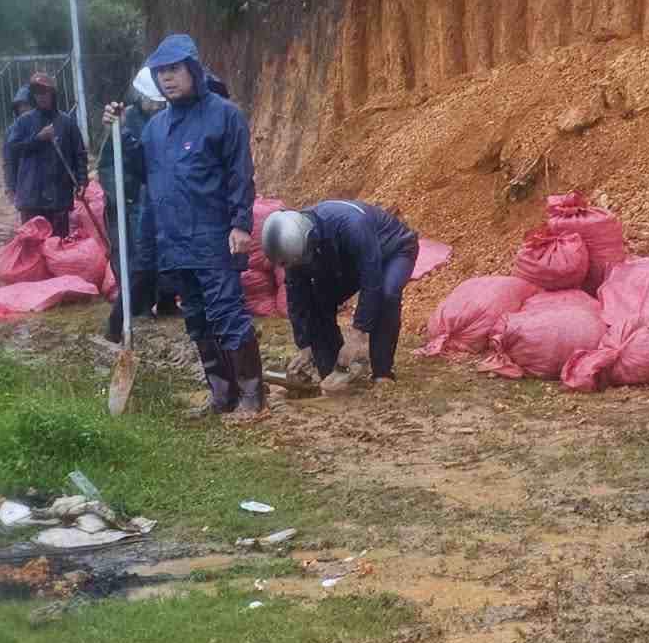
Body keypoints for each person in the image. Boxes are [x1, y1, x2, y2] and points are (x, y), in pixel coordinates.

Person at [103, 34, 265, 419]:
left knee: (227, 312)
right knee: (196, 317)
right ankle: (222, 396)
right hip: (173, 239)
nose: (167, 80)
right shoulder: (156, 127)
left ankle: (253, 398)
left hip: (212, 235)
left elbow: (240, 175)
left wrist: (241, 224)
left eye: (174, 70)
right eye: (160, 73)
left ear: (193, 68)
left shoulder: (224, 115)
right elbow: (144, 174)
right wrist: (121, 132)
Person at [264, 200, 420, 393]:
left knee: (386, 294)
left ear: (310, 239)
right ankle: (334, 367)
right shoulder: (295, 244)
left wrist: (357, 335)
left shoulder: (351, 225)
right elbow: (297, 296)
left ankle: (383, 373)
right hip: (349, 258)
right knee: (319, 300)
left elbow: (372, 281)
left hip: (393, 249)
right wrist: (304, 345)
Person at [102, 67, 179, 342]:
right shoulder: (127, 121)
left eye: (162, 103)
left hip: (159, 198)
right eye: (154, 102)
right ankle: (135, 311)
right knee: (138, 259)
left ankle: (167, 301)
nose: (158, 107)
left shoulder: (168, 119)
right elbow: (109, 166)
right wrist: (125, 194)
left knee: (166, 254)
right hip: (131, 202)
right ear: (142, 96)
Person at [1, 72, 87, 237]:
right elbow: (13, 152)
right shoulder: (23, 122)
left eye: (44, 92)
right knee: (32, 246)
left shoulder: (67, 123)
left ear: (53, 94)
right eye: (36, 92)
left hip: (58, 197)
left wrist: (82, 181)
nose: (41, 96)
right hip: (31, 197)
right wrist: (38, 139)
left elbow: (79, 154)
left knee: (58, 246)